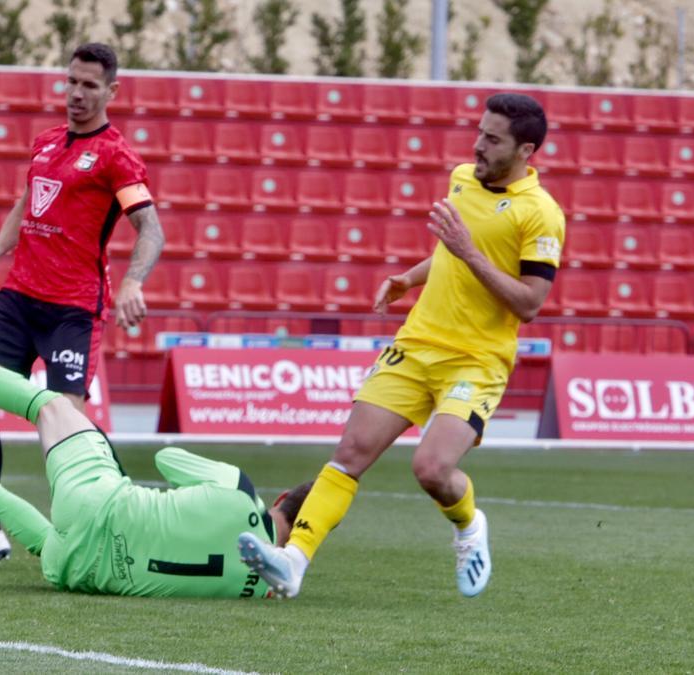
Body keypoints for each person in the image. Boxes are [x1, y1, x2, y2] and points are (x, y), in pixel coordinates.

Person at [239, 93, 565, 599]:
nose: (478, 145)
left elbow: (529, 303)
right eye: (479, 132)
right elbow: (449, 254)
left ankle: (470, 525)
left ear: (526, 150)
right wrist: (410, 278)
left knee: (432, 469)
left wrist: (468, 253)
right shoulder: (462, 178)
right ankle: (293, 562)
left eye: (492, 139)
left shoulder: (541, 214)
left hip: (476, 361)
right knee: (350, 453)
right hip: (416, 344)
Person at [0, 304, 310, 597]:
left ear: (280, 498)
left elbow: (166, 460)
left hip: (100, 502)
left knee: (50, 406)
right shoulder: (262, 591)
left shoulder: (242, 491)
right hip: (87, 572)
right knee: (51, 545)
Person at [0, 42, 165, 562]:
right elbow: (29, 198)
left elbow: (150, 228)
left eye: (90, 85)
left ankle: (114, 521)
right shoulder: (46, 144)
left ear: (111, 91)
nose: (77, 94)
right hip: (19, 297)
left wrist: (134, 281)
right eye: (71, 82)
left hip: (72, 309)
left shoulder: (116, 156)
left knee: (64, 427)